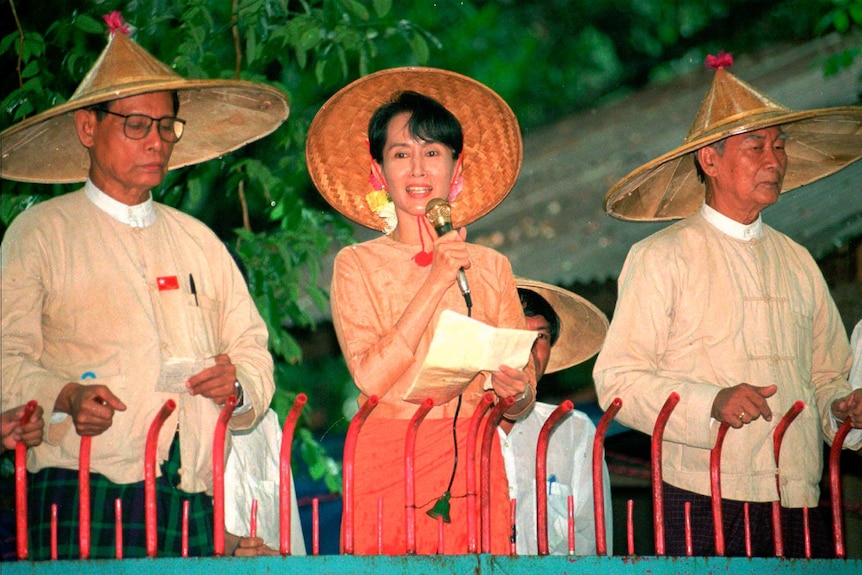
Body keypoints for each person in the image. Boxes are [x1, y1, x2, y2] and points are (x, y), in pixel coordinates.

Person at [0, 21, 287, 559]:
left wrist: (238, 384)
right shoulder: (40, 234)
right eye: (135, 124)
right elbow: (6, 361)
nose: (156, 141)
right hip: (77, 484)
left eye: (166, 126)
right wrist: (66, 397)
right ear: (88, 127)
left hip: (191, 492)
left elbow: (253, 350)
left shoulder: (198, 241)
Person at [594, 52, 862, 557]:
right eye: (756, 146)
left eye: (780, 146)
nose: (775, 160)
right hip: (701, 489)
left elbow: (828, 377)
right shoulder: (660, 257)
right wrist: (710, 402)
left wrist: (842, 407)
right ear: (709, 160)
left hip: (799, 493)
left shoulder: (800, 262)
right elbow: (617, 381)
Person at [305, 68, 536, 554]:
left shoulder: (492, 267)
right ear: (378, 172)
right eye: (401, 154)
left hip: (475, 452)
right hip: (391, 455)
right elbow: (370, 375)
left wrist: (517, 392)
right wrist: (435, 281)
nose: (417, 170)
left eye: (432, 153)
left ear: (457, 170)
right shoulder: (356, 265)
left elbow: (520, 386)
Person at [499, 279, 612, 555]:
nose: (529, 351)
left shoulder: (572, 431)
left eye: (540, 337)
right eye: (516, 336)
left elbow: (594, 544)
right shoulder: (455, 427)